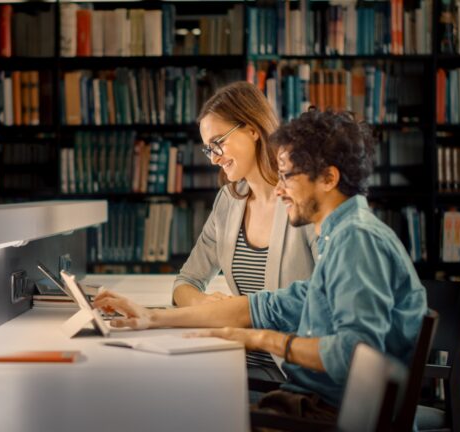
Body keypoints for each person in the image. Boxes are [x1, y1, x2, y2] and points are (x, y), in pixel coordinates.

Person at [94, 109, 428, 421]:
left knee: (174, 412)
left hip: (326, 414)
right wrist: (151, 317)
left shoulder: (356, 240)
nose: (279, 190)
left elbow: (354, 354)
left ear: (328, 178)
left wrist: (262, 340)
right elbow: (263, 307)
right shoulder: (340, 236)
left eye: (288, 177)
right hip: (313, 403)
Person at [173, 82, 315, 310]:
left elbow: (331, 294)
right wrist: (202, 301)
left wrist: (239, 311)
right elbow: (186, 282)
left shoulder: (305, 197)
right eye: (209, 149)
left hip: (295, 335)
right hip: (240, 334)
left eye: (218, 142)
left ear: (252, 130)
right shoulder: (228, 200)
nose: (214, 159)